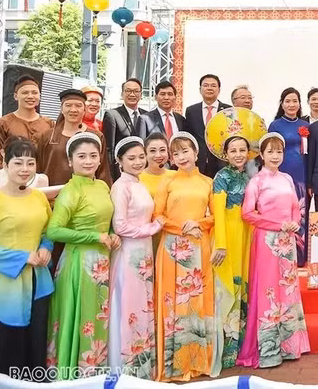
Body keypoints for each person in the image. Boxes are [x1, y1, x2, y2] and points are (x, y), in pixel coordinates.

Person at [46, 132, 119, 380]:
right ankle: (73, 376)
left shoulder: (102, 185)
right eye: (81, 156)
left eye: (92, 155)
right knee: (81, 317)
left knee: (97, 316)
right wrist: (94, 237)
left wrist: (111, 233)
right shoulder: (70, 190)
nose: (88, 161)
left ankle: (94, 376)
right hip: (78, 264)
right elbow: (54, 230)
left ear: (100, 159)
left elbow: (105, 220)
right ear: (70, 161)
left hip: (101, 262)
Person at [238, 132, 310, 368]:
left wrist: (295, 222)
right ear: (262, 154)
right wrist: (278, 225)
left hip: (287, 240)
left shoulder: (288, 179)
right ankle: (268, 350)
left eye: (279, 151)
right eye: (270, 151)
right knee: (269, 290)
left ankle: (290, 345)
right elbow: (248, 214)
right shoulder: (256, 181)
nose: (275, 156)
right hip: (267, 240)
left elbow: (296, 206)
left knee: (287, 288)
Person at [153, 132, 217, 381]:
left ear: (196, 152)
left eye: (185, 151)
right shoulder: (167, 182)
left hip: (198, 245)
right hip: (172, 247)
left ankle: (199, 360)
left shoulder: (207, 182)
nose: (181, 156)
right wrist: (179, 228)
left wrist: (199, 223)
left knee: (196, 302)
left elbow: (214, 215)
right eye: (176, 153)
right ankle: (174, 364)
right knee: (173, 301)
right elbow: (157, 215)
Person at [108, 136, 163, 379]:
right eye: (132, 158)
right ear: (119, 161)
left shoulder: (139, 183)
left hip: (144, 252)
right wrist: (152, 228)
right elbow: (120, 226)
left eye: (141, 156)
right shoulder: (121, 187)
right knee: (130, 304)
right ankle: (127, 366)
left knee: (143, 302)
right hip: (130, 252)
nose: (139, 161)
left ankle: (142, 365)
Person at [0, 138, 54, 377]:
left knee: (37, 337)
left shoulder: (39, 197)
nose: (25, 169)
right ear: (5, 163)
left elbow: (47, 230)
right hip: (6, 283)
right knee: (9, 340)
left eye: (30, 163)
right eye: (18, 162)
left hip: (38, 280)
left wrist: (46, 247)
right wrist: (21, 257)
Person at [212, 135, 252, 370]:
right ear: (225, 154)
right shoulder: (222, 177)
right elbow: (218, 210)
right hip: (228, 234)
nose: (238, 154)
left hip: (245, 234)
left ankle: (238, 345)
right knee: (228, 287)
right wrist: (221, 243)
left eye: (242, 150)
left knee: (242, 286)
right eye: (233, 150)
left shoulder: (246, 177)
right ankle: (225, 348)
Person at [36, 89, 111, 187]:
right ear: (61, 109)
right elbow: (38, 168)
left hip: (86, 195)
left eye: (78, 106)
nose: (73, 110)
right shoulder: (48, 136)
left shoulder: (96, 136)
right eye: (68, 105)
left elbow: (103, 171)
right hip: (52, 196)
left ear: (84, 109)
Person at [268, 88, 309, 264]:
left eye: (295, 101)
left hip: (302, 176)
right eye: (288, 101)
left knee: (301, 214)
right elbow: (270, 152)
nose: (292, 104)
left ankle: (300, 256)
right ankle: (283, 254)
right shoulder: (275, 125)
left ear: (299, 104)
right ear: (282, 104)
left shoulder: (306, 126)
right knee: (284, 213)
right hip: (283, 176)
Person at [0, 75, 53, 167]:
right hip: (12, 176)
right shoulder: (4, 123)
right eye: (25, 93)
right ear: (16, 96)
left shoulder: (49, 123)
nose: (30, 96)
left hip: (41, 176)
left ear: (39, 96)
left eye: (34, 92)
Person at [185, 74, 231, 178]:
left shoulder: (228, 110)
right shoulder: (191, 111)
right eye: (206, 85)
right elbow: (189, 137)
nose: (209, 88)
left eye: (213, 86)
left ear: (219, 90)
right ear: (200, 89)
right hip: (198, 163)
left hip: (222, 163)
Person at [103, 78, 147, 181]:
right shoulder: (112, 115)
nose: (132, 94)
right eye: (128, 91)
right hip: (121, 172)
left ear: (141, 95)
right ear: (122, 94)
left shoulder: (147, 115)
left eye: (136, 91)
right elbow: (110, 149)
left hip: (143, 171)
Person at [139, 133, 175, 199]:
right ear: (145, 153)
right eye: (152, 151)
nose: (158, 155)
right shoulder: (137, 178)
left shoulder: (176, 176)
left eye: (162, 150)